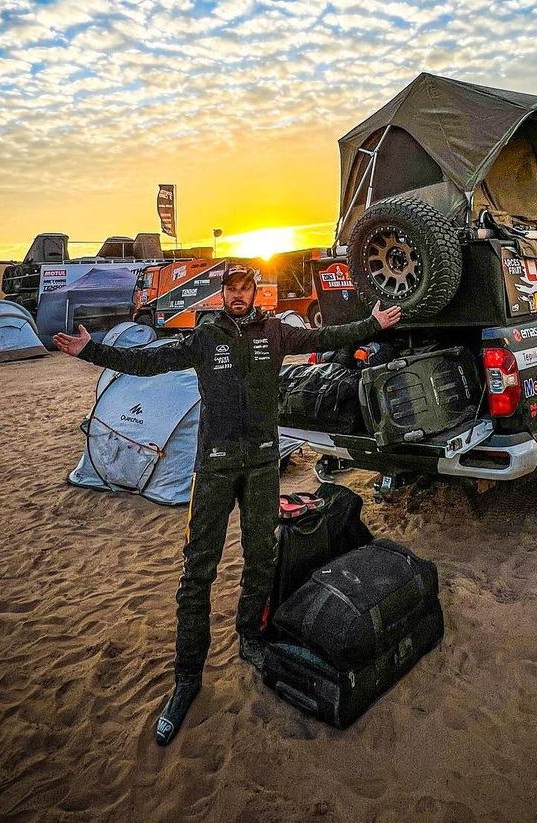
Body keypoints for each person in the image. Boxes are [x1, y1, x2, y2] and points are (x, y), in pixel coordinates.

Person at [54, 264, 401, 745]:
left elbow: (324, 333)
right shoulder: (204, 338)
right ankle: (187, 679)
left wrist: (373, 326)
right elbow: (149, 362)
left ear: (254, 293)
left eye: (245, 289)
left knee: (261, 559)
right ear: (222, 295)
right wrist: (91, 349)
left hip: (260, 467)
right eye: (231, 289)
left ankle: (250, 637)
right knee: (198, 572)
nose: (238, 296)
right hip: (214, 469)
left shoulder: (275, 332)